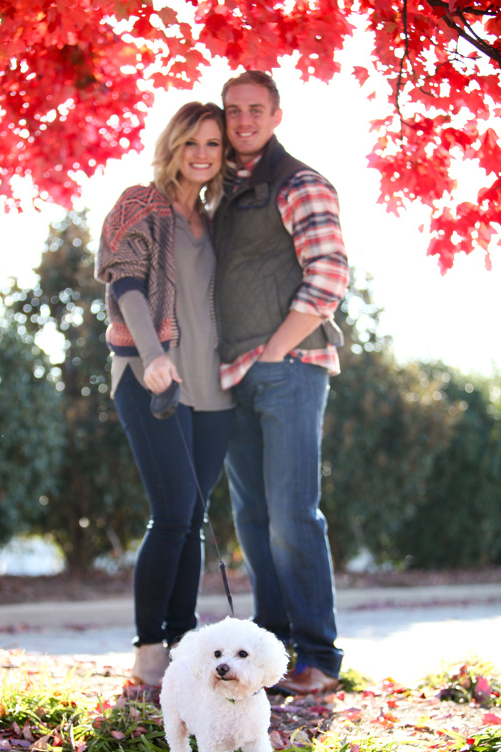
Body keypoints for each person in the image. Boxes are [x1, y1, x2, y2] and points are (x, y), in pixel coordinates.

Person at [212, 71, 349, 695]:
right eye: (233, 109)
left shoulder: (299, 182)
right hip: (235, 376)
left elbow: (328, 275)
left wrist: (273, 352)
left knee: (293, 517)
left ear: (276, 115)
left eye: (256, 110)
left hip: (289, 369)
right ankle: (270, 653)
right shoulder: (225, 193)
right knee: (254, 517)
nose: (243, 121)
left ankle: (318, 656)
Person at [96, 102, 234, 686]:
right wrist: (152, 355)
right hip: (153, 378)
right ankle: (149, 647)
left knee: (195, 516)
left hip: (215, 389)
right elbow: (123, 277)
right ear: (173, 146)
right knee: (173, 510)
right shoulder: (140, 203)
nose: (202, 155)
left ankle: (182, 641)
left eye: (214, 145)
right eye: (191, 143)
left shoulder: (216, 218)